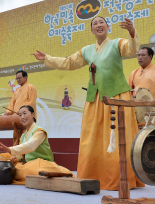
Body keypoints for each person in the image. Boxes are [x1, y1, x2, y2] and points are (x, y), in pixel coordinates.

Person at [32, 16, 141, 191]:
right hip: (95, 98)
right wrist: (48, 58)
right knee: (92, 138)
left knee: (117, 137)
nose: (98, 25)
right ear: (91, 30)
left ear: (108, 27)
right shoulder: (87, 50)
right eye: (94, 24)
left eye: (101, 22)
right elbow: (68, 63)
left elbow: (131, 49)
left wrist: (131, 31)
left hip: (117, 97)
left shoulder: (117, 43)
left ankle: (118, 177)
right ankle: (93, 175)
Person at [0, 105, 73, 184]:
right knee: (14, 168)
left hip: (42, 162)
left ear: (33, 114)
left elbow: (30, 146)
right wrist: (17, 157)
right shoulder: (23, 136)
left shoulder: (39, 131)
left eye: (24, 113)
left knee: (24, 171)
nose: (22, 117)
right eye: (20, 115)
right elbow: (22, 153)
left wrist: (11, 149)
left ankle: (59, 172)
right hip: (29, 164)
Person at [128, 47, 155, 126]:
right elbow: (128, 92)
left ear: (150, 57)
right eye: (138, 55)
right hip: (138, 113)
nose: (140, 57)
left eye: (143, 55)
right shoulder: (133, 73)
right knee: (139, 137)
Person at [4, 70, 37, 144]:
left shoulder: (31, 87)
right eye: (17, 79)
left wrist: (22, 111)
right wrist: (8, 112)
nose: (18, 80)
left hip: (27, 118)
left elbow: (31, 102)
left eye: (20, 78)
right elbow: (12, 103)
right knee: (16, 136)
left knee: (26, 137)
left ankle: (26, 155)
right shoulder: (17, 90)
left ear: (25, 77)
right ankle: (16, 154)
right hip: (17, 118)